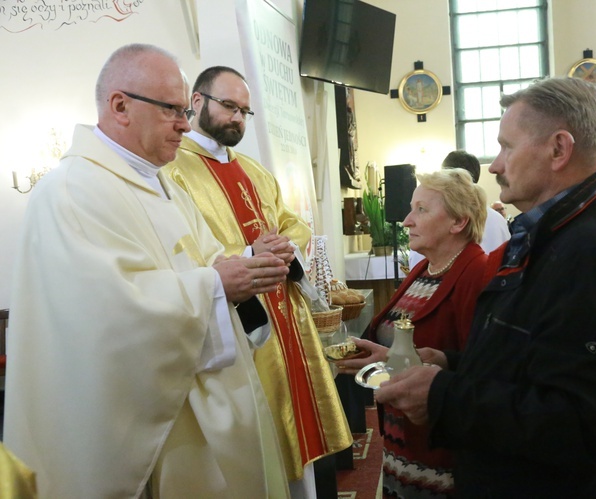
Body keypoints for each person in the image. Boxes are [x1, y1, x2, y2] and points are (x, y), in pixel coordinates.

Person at [3, 44, 291, 498]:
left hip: (199, 406)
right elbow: (106, 316)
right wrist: (217, 284)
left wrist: (244, 264)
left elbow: (209, 258)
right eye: (172, 110)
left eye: (184, 109)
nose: (185, 123)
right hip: (140, 430)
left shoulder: (160, 184)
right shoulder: (70, 191)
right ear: (120, 105)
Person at [373, 77, 596, 496]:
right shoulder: (556, 235)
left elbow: (585, 423)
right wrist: (453, 364)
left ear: (559, 149)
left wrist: (445, 396)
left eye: (506, 146)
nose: (493, 166)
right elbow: (535, 360)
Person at [162, 66, 351, 497]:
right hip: (241, 319)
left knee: (299, 436)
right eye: (229, 107)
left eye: (245, 111)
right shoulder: (174, 170)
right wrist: (251, 255)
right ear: (197, 102)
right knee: (261, 441)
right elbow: (185, 246)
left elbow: (288, 222)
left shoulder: (254, 170)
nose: (238, 120)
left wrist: (286, 246)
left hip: (285, 312)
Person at [338, 168, 491, 498]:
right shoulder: (425, 267)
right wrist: (374, 356)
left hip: (439, 455)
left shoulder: (477, 273)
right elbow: (399, 346)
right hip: (401, 441)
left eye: (421, 210)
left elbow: (484, 369)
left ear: (458, 222)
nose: (407, 220)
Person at [408, 150, 510, 269]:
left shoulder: (438, 217)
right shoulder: (498, 220)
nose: (407, 221)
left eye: (421, 209)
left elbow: (417, 262)